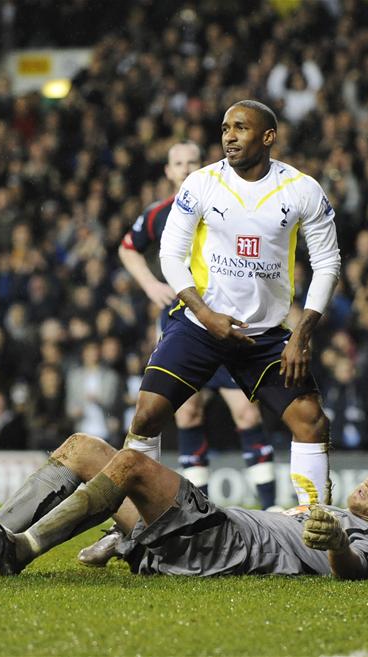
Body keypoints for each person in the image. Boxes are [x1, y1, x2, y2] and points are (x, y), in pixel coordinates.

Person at [127, 99, 341, 511]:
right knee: (147, 415)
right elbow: (171, 255)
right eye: (225, 128)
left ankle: (314, 523)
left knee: (312, 421)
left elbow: (328, 261)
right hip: (198, 325)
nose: (229, 136)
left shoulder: (302, 190)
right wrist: (205, 314)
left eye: (240, 128)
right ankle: (139, 523)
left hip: (262, 336)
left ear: (268, 137)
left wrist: (301, 333)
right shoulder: (201, 184)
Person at [0, 432, 368, 580]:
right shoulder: (327, 514)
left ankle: (21, 549)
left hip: (220, 542)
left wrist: (340, 544)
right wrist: (122, 539)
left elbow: (356, 572)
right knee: (81, 450)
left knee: (134, 465)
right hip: (204, 534)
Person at [116, 140, 277, 508]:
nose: (186, 169)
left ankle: (271, 508)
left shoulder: (225, 206)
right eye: (178, 163)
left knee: (245, 410)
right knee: (188, 412)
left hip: (226, 318)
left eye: (193, 162)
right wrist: (150, 284)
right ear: (169, 172)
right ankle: (199, 512)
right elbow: (128, 247)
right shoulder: (158, 214)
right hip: (180, 321)